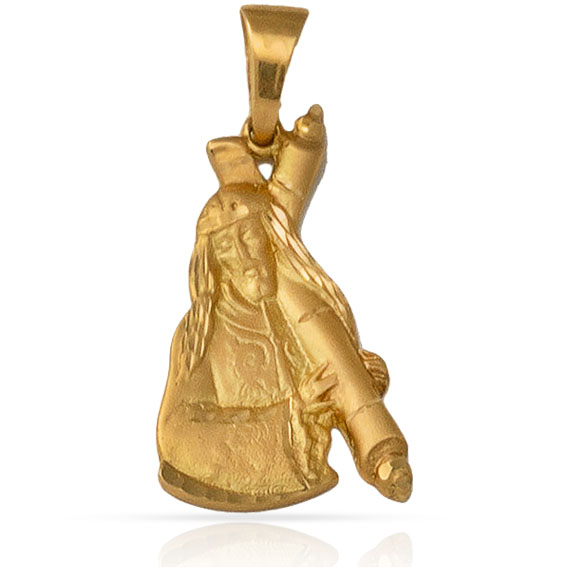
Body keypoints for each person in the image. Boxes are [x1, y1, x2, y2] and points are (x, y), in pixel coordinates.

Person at [157, 105, 412, 511]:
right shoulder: (199, 333)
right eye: (227, 248)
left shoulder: (297, 310)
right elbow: (176, 434)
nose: (244, 257)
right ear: (213, 262)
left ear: (269, 240)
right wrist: (293, 415)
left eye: (249, 238)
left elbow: (343, 385)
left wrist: (359, 379)